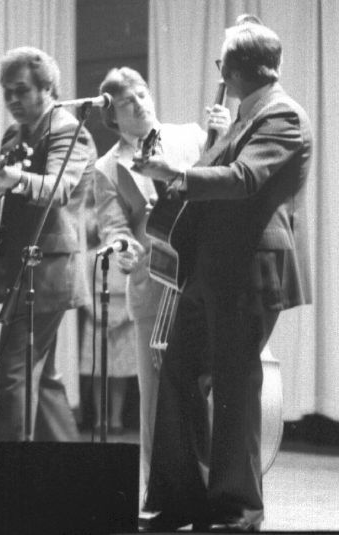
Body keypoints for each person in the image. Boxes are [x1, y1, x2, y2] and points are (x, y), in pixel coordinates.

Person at [134, 21, 312, 532]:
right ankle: (181, 500)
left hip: (249, 272)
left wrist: (173, 174)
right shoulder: (243, 118)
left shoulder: (282, 116)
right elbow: (212, 180)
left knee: (234, 387)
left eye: (222, 66)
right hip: (212, 271)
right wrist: (172, 180)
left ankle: (237, 511)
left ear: (232, 71)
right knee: (178, 373)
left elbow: (243, 179)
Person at [0, 46, 96, 441]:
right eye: (7, 92)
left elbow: (60, 189)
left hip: (48, 271)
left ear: (47, 88)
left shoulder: (67, 130)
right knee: (40, 377)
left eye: (21, 90)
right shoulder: (15, 133)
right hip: (23, 267)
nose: (12, 100)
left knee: (15, 373)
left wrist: (14, 179)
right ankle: (63, 466)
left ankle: (9, 471)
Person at [92, 67, 229, 486]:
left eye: (142, 93)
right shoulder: (107, 167)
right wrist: (122, 248)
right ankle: (159, 491)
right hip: (152, 284)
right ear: (112, 116)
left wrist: (224, 136)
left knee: (209, 389)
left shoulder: (193, 136)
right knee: (154, 396)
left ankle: (212, 488)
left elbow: (225, 179)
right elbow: (113, 226)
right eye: (126, 101)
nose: (139, 103)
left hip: (203, 276)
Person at [78, 181, 135, 437]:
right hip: (97, 315)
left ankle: (116, 419)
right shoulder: (92, 256)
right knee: (99, 371)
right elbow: (85, 288)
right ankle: (100, 419)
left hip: (124, 314)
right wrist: (95, 314)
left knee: (119, 372)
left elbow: (136, 288)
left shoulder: (129, 254)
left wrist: (123, 316)